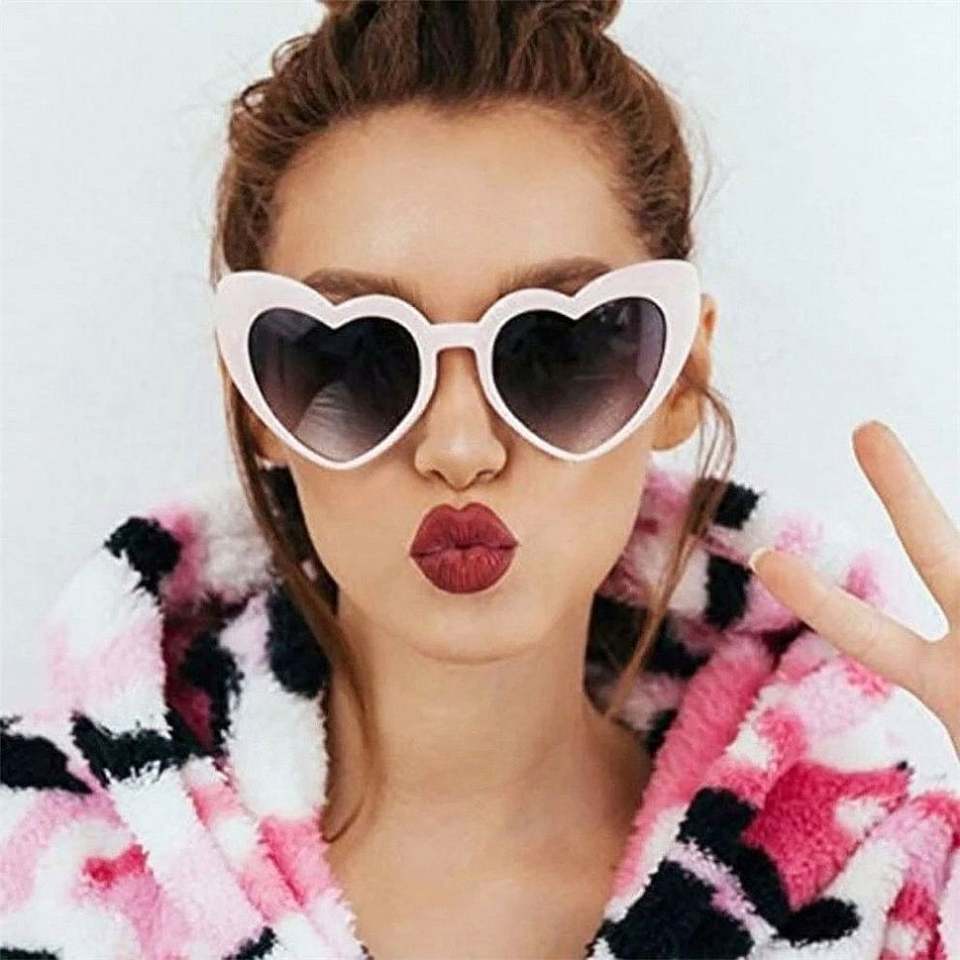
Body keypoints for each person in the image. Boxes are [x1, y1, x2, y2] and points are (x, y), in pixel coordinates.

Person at [2, 2, 958, 958]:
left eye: (556, 348)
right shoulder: (32, 863)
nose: (459, 447)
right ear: (257, 399)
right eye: (360, 357)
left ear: (679, 376)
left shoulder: (890, 892)